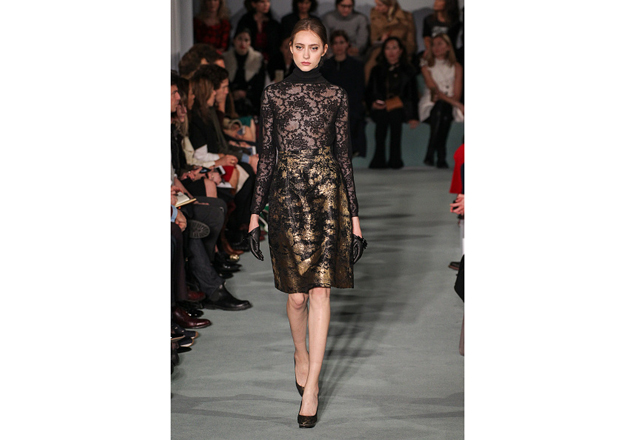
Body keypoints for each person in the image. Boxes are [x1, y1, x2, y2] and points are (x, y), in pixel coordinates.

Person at [246, 18, 367, 429]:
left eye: (314, 47)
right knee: (296, 297)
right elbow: (266, 156)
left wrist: (354, 217)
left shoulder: (336, 95)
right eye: (300, 46)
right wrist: (254, 213)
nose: (306, 54)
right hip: (286, 197)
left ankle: (312, 386)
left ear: (325, 50)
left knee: (320, 291)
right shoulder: (273, 94)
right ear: (290, 48)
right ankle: (300, 353)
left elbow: (344, 157)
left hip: (328, 196)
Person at [365, 36, 419, 169]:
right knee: (382, 117)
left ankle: (395, 159)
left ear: (400, 50)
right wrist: (373, 103)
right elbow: (369, 92)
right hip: (380, 107)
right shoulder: (376, 70)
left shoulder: (408, 70)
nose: (391, 52)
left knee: (395, 116)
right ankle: (379, 159)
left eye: (394, 48)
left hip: (400, 106)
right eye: (388, 48)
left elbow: (412, 95)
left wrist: (414, 116)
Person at [418, 33, 463, 168]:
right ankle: (440, 155)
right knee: (440, 108)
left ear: (448, 47)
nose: (436, 48)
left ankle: (431, 152)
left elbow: (457, 94)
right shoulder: (426, 66)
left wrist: (455, 103)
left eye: (440, 44)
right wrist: (459, 105)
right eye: (433, 45)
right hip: (430, 103)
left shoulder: (457, 67)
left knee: (444, 109)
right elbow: (435, 92)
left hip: (449, 105)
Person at [320, 30, 367, 157]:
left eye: (341, 42)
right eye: (335, 43)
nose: (339, 46)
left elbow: (359, 90)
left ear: (347, 44)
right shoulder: (325, 67)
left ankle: (351, 150)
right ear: (331, 46)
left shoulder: (357, 66)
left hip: (351, 105)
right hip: (330, 106)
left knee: (352, 116)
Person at [364, 0, 416, 83]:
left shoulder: (406, 17)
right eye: (376, 5)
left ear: (390, 5)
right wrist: (381, 40)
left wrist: (398, 46)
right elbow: (373, 40)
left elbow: (411, 44)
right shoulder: (375, 15)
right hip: (380, 52)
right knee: (371, 68)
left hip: (401, 53)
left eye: (380, 5)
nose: (376, 8)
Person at [222, 28, 266, 117]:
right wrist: (232, 95)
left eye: (246, 40)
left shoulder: (257, 59)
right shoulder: (225, 59)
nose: (243, 43)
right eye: (240, 39)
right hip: (229, 105)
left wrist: (245, 94)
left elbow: (260, 88)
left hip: (252, 107)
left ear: (250, 42)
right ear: (234, 40)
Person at [236, 0, 281, 70]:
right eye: (262, 2)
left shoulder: (274, 24)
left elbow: (276, 47)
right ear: (254, 4)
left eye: (268, 1)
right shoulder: (245, 21)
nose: (266, 4)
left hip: (270, 62)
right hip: (248, 61)